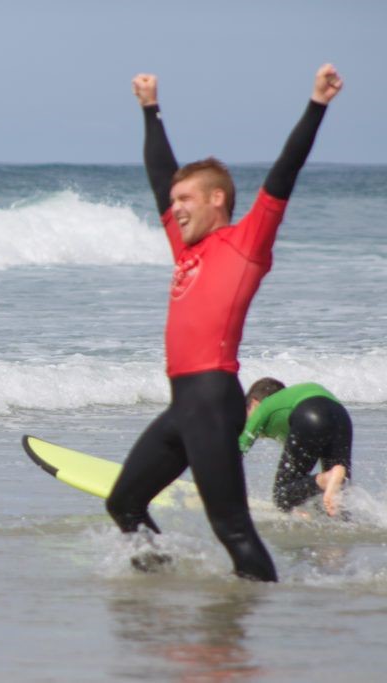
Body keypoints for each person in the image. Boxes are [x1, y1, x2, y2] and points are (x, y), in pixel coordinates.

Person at [105, 64, 344, 582]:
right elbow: (160, 175)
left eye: (185, 200)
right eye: (173, 203)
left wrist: (316, 105)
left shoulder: (246, 242)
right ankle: (161, 582)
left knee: (233, 529)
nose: (175, 209)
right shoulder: (185, 248)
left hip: (213, 401)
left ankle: (253, 614)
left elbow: (284, 173)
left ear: (217, 200)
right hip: (181, 406)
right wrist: (150, 109)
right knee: (123, 504)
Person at [240, 377, 351, 516]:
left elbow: (238, 450)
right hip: (341, 416)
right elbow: (300, 481)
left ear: (254, 403)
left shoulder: (264, 406)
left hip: (308, 412)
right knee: (339, 493)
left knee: (281, 496)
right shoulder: (290, 402)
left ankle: (326, 479)